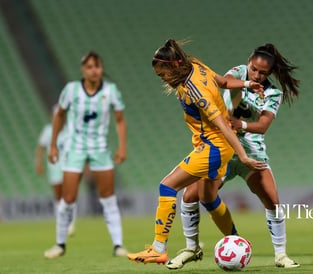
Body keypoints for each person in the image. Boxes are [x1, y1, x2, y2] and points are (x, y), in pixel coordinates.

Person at [127, 39, 267, 265]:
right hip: (218, 146)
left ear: (173, 67)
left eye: (163, 75)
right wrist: (247, 84)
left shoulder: (195, 90)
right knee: (209, 198)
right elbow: (222, 81)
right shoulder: (196, 66)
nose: (163, 80)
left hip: (213, 148)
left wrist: (243, 156)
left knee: (167, 186)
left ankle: (158, 248)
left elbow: (222, 123)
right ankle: (236, 241)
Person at [165, 43, 301, 270]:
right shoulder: (239, 73)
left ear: (270, 73)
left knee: (272, 201)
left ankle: (281, 255)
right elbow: (224, 81)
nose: (257, 74)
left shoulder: (272, 93)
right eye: (254, 69)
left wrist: (241, 124)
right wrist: (246, 84)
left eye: (263, 73)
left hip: (252, 152)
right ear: (249, 62)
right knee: (190, 196)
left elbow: (263, 125)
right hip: (223, 148)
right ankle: (192, 248)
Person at [44, 51, 128, 258]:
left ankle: (118, 245)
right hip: (75, 148)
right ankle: (60, 244)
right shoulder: (71, 90)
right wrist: (53, 144)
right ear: (83, 69)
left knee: (108, 198)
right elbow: (59, 115)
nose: (94, 70)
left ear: (101, 68)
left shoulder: (111, 91)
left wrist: (122, 147)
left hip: (100, 148)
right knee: (68, 198)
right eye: (89, 67)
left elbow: (119, 120)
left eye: (97, 66)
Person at [35, 105, 76, 236]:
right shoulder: (48, 130)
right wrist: (38, 163)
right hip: (54, 167)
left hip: (69, 166)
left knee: (69, 195)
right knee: (58, 196)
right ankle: (61, 222)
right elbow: (41, 147)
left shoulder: (69, 130)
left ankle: (71, 223)